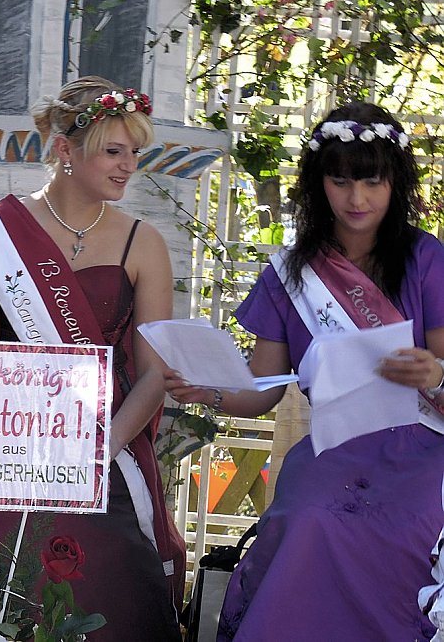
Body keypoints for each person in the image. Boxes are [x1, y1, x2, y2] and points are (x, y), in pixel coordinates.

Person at [165, 102, 444, 640]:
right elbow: (261, 391)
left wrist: (432, 375)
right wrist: (207, 391)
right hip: (335, 447)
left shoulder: (427, 260)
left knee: (403, 529)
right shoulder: (290, 273)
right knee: (310, 517)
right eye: (340, 182)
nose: (356, 200)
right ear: (319, 183)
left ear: (396, 183)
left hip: (426, 450)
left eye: (372, 182)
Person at [0, 75, 186, 640]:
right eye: (113, 150)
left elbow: (155, 373)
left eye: (135, 151)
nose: (128, 165)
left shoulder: (144, 243)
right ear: (64, 149)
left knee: (107, 564)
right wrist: (24, 452)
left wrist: (99, 450)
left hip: (105, 445)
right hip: (10, 449)